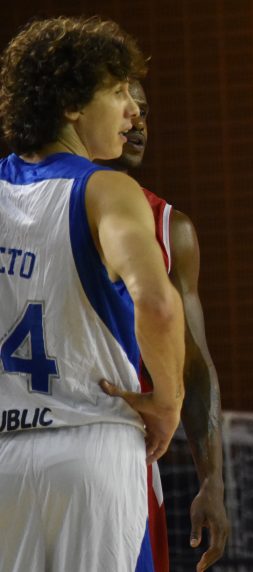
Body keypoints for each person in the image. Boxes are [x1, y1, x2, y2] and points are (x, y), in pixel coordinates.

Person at [0, 16, 185, 572]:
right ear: (71, 105)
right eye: (118, 91)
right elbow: (158, 304)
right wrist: (167, 402)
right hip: (92, 444)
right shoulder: (106, 190)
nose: (132, 111)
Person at [99, 80, 230, 572]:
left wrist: (211, 480)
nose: (138, 122)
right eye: (125, 106)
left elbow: (194, 364)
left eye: (145, 111)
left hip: (125, 448)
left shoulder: (171, 228)